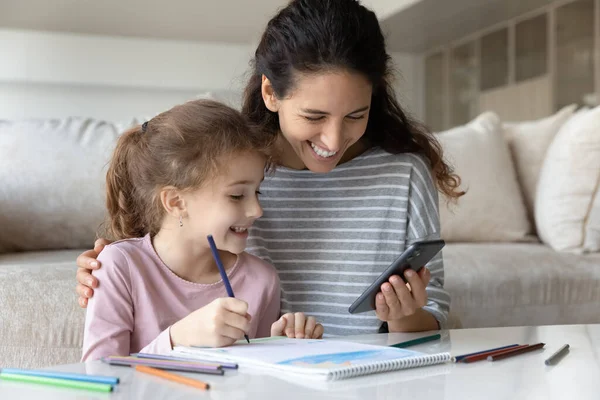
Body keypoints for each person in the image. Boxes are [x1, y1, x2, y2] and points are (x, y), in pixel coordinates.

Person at [76, 0, 463, 337]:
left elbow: (435, 312)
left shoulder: (405, 175)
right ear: (270, 94)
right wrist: (105, 272)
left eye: (355, 115)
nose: (332, 140)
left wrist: (406, 314)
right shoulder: (235, 174)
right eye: (314, 116)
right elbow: (162, 257)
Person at [81, 100, 323, 361]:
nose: (257, 210)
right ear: (176, 202)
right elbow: (97, 377)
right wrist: (177, 339)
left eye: (257, 192)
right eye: (236, 195)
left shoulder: (261, 280)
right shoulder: (120, 266)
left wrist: (282, 346)